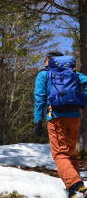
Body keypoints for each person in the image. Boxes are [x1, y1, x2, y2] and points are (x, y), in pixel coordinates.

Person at [34, 52, 87, 198]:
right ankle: (76, 187)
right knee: (71, 153)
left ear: (49, 60)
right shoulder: (75, 74)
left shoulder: (44, 75)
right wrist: (82, 101)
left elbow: (39, 99)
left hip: (56, 117)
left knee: (60, 153)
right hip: (75, 116)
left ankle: (75, 186)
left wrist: (37, 121)